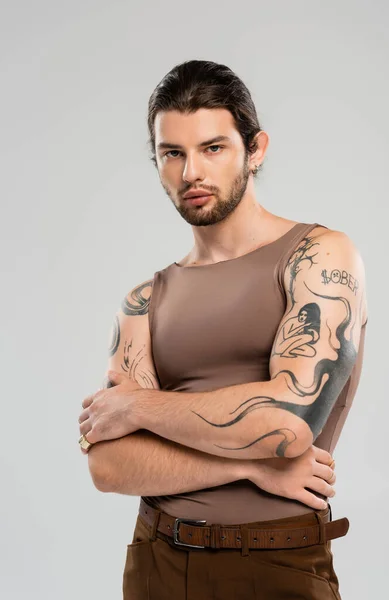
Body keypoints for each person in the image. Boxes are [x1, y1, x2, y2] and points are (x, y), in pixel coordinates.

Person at [78, 60, 368, 599]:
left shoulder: (318, 256)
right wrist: (252, 471)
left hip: (275, 560)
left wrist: (139, 408)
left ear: (254, 149)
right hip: (156, 560)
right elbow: (109, 464)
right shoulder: (144, 300)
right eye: (173, 153)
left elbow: (289, 422)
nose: (192, 173)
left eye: (213, 148)